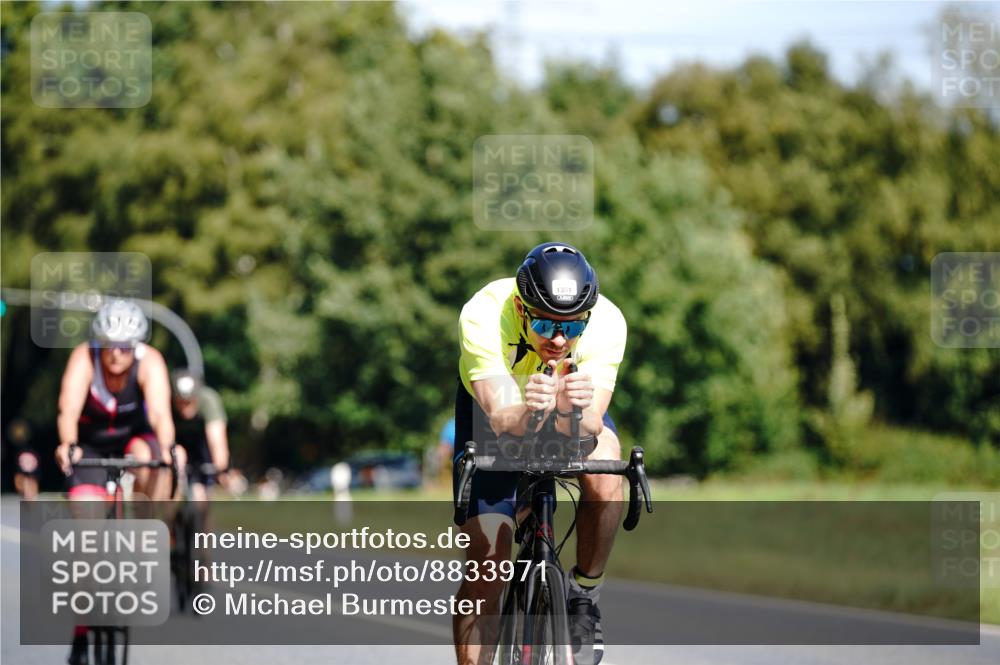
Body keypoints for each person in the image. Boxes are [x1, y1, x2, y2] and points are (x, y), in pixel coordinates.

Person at [453, 242, 627, 665]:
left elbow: (589, 428)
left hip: (568, 409)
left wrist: (573, 410)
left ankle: (586, 592)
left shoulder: (607, 321)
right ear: (520, 306)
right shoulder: (484, 313)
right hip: (498, 413)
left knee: (608, 465)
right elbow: (500, 418)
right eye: (546, 325)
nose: (559, 339)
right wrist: (530, 409)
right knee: (488, 568)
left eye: (571, 327)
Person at [55, 299, 181, 502]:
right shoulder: (83, 357)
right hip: (92, 445)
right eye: (108, 345)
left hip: (133, 440)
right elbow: (68, 411)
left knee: (156, 462)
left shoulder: (150, 361)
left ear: (135, 345)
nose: (115, 354)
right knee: (84, 505)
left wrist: (168, 447)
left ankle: (149, 524)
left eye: (124, 348)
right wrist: (68, 444)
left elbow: (160, 414)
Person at [171, 369, 231, 500]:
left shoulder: (209, 400)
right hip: (177, 445)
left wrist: (221, 469)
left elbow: (217, 439)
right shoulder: (167, 401)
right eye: (181, 401)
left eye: (189, 401)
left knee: (202, 495)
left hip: (203, 446)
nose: (185, 406)